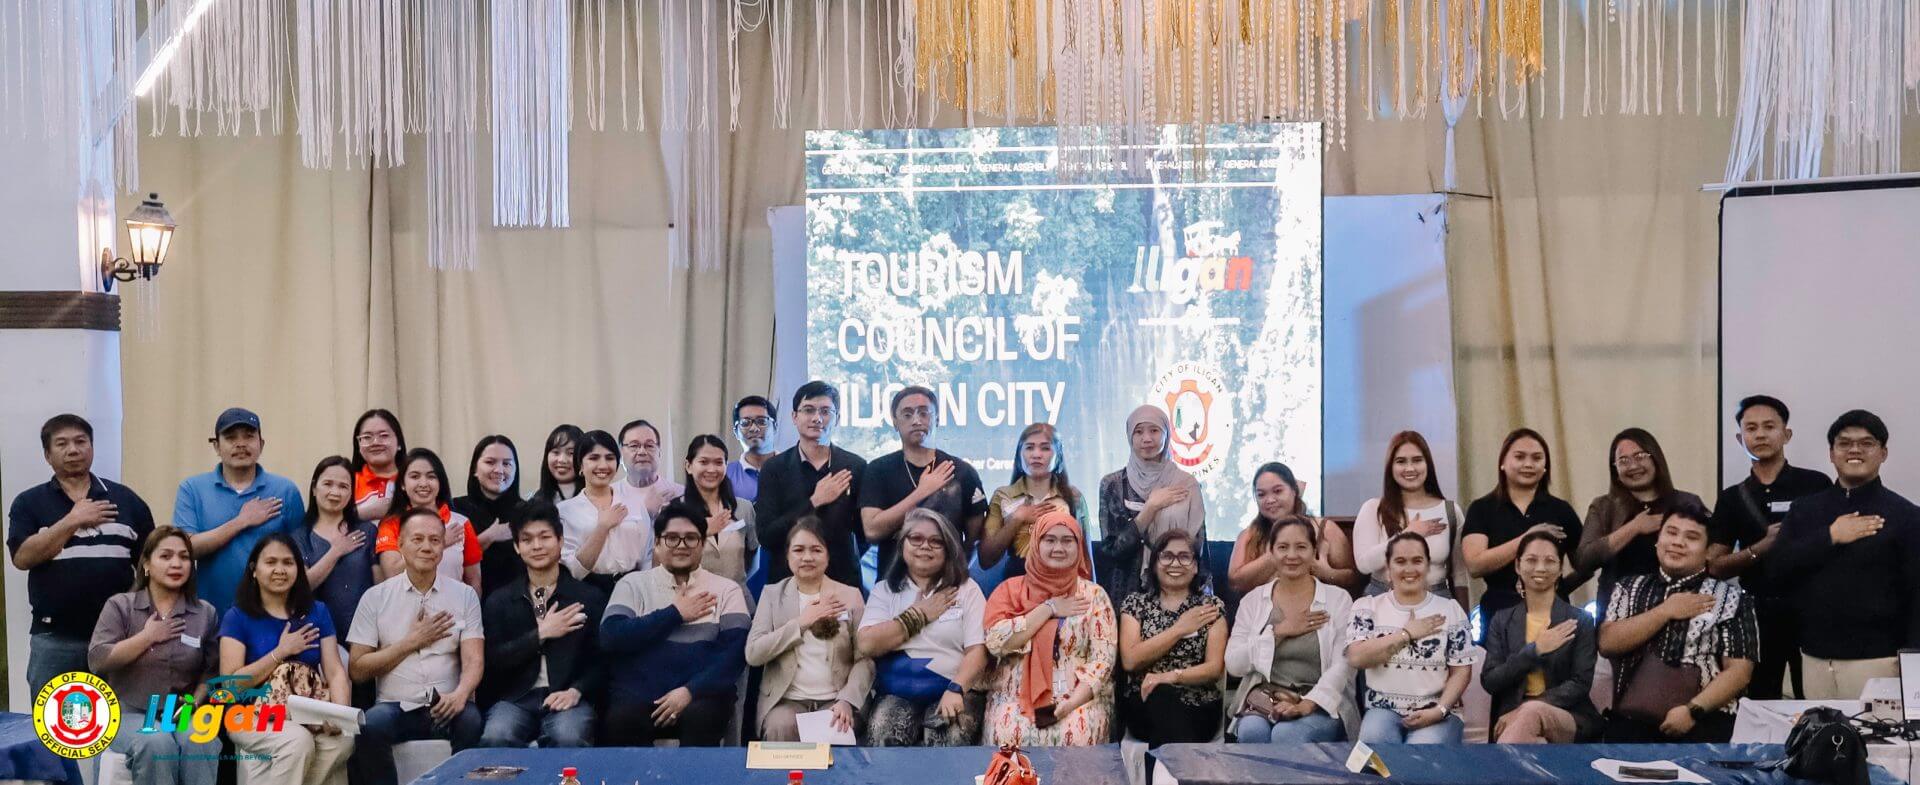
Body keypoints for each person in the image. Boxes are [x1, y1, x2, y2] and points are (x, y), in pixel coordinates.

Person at [1772, 409, 1920, 701]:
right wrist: (1830, 537)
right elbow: (1776, 570)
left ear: (1883, 453)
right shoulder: (1805, 510)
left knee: (1878, 746)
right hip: (1811, 658)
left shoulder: (1907, 516)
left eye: (1866, 443)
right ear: (1831, 453)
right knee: (1815, 745)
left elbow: (1917, 596)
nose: (1854, 450)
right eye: (1844, 443)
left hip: (1879, 662)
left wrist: (1913, 664)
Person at [10, 413, 156, 696]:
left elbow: (151, 565)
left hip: (119, 637)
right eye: (62, 444)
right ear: (47, 455)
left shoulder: (126, 500)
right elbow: (22, 558)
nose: (73, 450)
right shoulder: (29, 503)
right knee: (58, 731)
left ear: (92, 447)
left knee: (118, 728)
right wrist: (72, 520)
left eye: (81, 441)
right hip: (55, 639)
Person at [347, 508, 486, 785]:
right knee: (368, 726)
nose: (426, 547)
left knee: (471, 721)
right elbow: (358, 669)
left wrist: (460, 694)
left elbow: (474, 660)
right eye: (417, 539)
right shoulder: (375, 598)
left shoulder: (464, 595)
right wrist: (412, 642)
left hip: (448, 701)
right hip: (395, 705)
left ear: (443, 547)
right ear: (400, 545)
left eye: (435, 540)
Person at [1599, 500, 1756, 742]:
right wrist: (1665, 611)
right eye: (1670, 533)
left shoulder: (1733, 597)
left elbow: (1739, 672)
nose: (1678, 542)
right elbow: (1608, 642)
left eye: (1691, 537)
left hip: (1706, 721)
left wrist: (1692, 711)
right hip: (1632, 720)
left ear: (1707, 551)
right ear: (1657, 540)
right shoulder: (1629, 587)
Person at [1705, 396, 1831, 700]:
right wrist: (1760, 548)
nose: (1760, 434)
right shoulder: (1732, 497)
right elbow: (1714, 565)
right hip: (1757, 613)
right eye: (1751, 428)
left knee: (1815, 698)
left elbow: (1835, 545)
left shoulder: (1815, 484)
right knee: (1762, 698)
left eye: (1769, 426)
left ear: (1786, 434)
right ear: (1740, 438)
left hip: (1812, 611)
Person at [599, 502, 751, 746]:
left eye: (691, 538)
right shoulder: (632, 584)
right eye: (671, 538)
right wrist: (674, 613)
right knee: (622, 721)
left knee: (702, 718)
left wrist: (689, 691)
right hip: (639, 696)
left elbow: (733, 655)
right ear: (657, 544)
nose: (681, 545)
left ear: (702, 544)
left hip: (700, 695)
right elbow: (611, 637)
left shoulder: (726, 590)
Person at [87, 527, 220, 785]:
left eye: (184, 557)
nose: (176, 563)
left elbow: (212, 671)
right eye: (166, 556)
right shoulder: (121, 606)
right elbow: (98, 660)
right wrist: (147, 637)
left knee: (200, 739)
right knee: (156, 741)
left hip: (177, 712)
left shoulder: (205, 613)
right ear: (146, 563)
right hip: (127, 712)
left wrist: (195, 702)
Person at [219, 534, 355, 785]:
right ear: (254, 570)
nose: (280, 570)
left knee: (343, 740)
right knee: (297, 741)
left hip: (307, 710)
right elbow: (230, 685)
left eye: (288, 562)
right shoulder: (237, 616)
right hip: (250, 714)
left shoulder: (317, 611)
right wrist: (281, 652)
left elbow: (335, 671)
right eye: (271, 562)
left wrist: (338, 714)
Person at [477, 501, 605, 749]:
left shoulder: (588, 597)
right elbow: (494, 659)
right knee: (496, 736)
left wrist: (576, 691)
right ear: (516, 547)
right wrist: (541, 633)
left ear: (560, 541)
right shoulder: (500, 600)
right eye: (527, 540)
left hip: (569, 696)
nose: (536, 546)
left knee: (568, 736)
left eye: (545, 537)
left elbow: (602, 660)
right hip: (516, 698)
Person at [984, 509, 1117, 746]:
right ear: (1035, 543)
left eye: (1068, 541)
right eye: (1050, 540)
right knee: (1008, 734)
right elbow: (997, 643)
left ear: (1079, 547)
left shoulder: (1094, 596)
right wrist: (1049, 608)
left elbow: (1102, 660)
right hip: (1013, 697)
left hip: (1079, 698)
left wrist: (1071, 703)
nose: (1059, 548)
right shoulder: (1010, 590)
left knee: (1078, 734)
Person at [857, 509, 990, 746]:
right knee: (882, 731)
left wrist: (957, 689)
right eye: (916, 538)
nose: (924, 546)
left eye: (935, 541)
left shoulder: (967, 590)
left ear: (948, 548)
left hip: (953, 688)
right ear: (902, 544)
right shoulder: (885, 591)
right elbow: (867, 644)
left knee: (949, 735)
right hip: (897, 691)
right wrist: (919, 615)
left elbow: (977, 651)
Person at [1226, 516, 1357, 744]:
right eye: (1283, 547)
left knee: (1287, 735)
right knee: (1251, 732)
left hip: (1319, 702)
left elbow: (1344, 665)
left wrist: (1307, 705)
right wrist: (1279, 631)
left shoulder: (1338, 600)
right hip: (1266, 699)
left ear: (1314, 550)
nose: (1292, 555)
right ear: (1271, 551)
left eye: (1301, 547)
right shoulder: (1254, 601)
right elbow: (1234, 664)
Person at [1343, 532, 1479, 744]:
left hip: (1437, 711)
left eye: (1417, 561)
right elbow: (1357, 658)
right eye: (1400, 561)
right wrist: (1405, 635)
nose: (1409, 569)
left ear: (1428, 567)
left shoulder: (1450, 609)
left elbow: (1461, 671)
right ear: (1388, 570)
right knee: (1374, 742)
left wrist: (1440, 710)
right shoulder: (1366, 606)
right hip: (1383, 710)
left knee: (1422, 752)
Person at [745, 518, 873, 741]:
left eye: (816, 550)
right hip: (787, 700)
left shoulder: (850, 595)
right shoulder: (772, 595)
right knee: (780, 726)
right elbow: (754, 653)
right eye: (798, 550)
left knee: (835, 728)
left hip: (836, 698)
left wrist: (847, 700)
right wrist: (802, 622)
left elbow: (865, 659)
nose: (807, 557)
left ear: (827, 555)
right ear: (787, 556)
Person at [172, 407, 306, 614]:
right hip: (209, 612)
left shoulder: (285, 490)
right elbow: (187, 548)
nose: (240, 444)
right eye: (231, 438)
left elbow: (301, 555)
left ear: (261, 444)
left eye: (249, 436)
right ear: (216, 446)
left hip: (271, 615)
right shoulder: (192, 489)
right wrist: (241, 521)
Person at [1462, 429, 1587, 639]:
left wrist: (1558, 586)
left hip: (1554, 615)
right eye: (1519, 457)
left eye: (1537, 458)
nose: (1528, 464)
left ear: (1545, 466)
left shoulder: (1560, 509)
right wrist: (1527, 539)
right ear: (1502, 462)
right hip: (1499, 613)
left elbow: (1585, 563)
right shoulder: (1482, 508)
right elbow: (1475, 565)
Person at [1481, 532, 1600, 743]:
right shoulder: (1502, 620)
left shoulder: (1579, 620)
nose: (1540, 568)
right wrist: (1534, 650)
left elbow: (1580, 683)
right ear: (1517, 566)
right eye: (1531, 560)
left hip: (1568, 715)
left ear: (1561, 568)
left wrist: (1528, 708)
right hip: (1511, 719)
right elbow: (1491, 680)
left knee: (1531, 713)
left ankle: (1499, 773)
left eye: (1550, 561)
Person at [1575, 428, 1705, 619]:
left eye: (1640, 456)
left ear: (1656, 459)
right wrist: (1634, 527)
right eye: (1623, 460)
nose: (1633, 465)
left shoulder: (1687, 502)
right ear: (1615, 470)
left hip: (1679, 607)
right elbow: (1583, 561)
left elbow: (1707, 555)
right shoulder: (1604, 507)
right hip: (1618, 614)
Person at [860, 386, 989, 572]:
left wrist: (955, 574)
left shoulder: (962, 472)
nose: (916, 420)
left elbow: (973, 540)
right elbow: (872, 531)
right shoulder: (878, 469)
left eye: (924, 412)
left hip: (948, 587)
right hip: (893, 587)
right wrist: (921, 493)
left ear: (937, 418)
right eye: (907, 414)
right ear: (895, 422)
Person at [1118, 530, 1226, 746]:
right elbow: (1130, 660)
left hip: (1198, 706)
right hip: (1144, 703)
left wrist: (1169, 676)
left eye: (1184, 557)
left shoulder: (1211, 607)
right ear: (1155, 563)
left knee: (1170, 709)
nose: (1175, 563)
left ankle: (1162, 775)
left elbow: (1214, 668)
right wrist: (1179, 629)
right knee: (1162, 699)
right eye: (1167, 556)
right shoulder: (1136, 604)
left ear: (1195, 566)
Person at [756, 381, 869, 588]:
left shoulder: (856, 466)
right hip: (787, 582)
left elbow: (865, 534)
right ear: (794, 417)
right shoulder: (774, 468)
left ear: (837, 418)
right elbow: (767, 536)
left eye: (826, 411)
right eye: (808, 410)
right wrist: (814, 501)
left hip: (842, 581)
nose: (817, 418)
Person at [1097, 405, 1206, 605]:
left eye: (1154, 430)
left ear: (1166, 435)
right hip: (1127, 595)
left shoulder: (1186, 484)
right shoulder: (1113, 484)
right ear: (1130, 436)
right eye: (1138, 432)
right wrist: (1149, 509)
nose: (1146, 438)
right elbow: (1112, 552)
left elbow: (1198, 548)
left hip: (1178, 592)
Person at [1352, 431, 1468, 605]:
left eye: (1417, 460)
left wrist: (1464, 615)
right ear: (1390, 467)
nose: (1410, 468)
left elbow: (1459, 574)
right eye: (1401, 461)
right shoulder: (1373, 508)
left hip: (1437, 599)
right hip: (1383, 598)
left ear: (1427, 464)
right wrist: (1408, 534)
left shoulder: (1450, 510)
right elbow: (1364, 564)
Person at [1225, 462, 1361, 595]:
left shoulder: (1325, 529)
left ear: (1294, 491)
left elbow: (1351, 579)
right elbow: (1235, 583)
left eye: (1278, 491)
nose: (1270, 500)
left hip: (1321, 614)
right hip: (1264, 614)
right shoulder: (1249, 535)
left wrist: (1326, 573)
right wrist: (1276, 554)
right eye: (1261, 494)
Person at [980, 423, 1092, 580]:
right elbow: (985, 560)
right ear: (1019, 456)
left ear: (1058, 456)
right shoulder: (1003, 496)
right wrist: (1017, 519)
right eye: (1029, 448)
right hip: (1016, 588)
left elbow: (1086, 560)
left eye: (1045, 448)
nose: (1036, 454)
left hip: (1063, 587)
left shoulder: (1073, 498)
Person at [290, 457, 378, 641]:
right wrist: (336, 551)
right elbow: (301, 587)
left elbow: (380, 586)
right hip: (316, 635)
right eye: (327, 484)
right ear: (314, 488)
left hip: (364, 634)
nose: (335, 492)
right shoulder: (299, 536)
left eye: (343, 486)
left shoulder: (367, 531)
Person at [372, 448, 482, 594]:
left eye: (431, 476)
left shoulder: (461, 523)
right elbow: (391, 573)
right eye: (415, 476)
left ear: (440, 482)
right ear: (402, 484)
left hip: (453, 612)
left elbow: (474, 581)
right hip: (406, 613)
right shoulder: (391, 524)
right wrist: (440, 543)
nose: (423, 483)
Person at [557, 430, 653, 594]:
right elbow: (572, 570)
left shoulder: (635, 504)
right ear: (580, 465)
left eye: (609, 458)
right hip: (587, 590)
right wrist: (602, 528)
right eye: (594, 458)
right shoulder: (565, 511)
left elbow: (647, 555)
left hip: (633, 587)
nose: (603, 465)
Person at [452, 435, 525, 599]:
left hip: (518, 605)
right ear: (475, 470)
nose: (499, 470)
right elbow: (447, 561)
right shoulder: (456, 509)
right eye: (490, 462)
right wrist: (488, 537)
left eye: (506, 464)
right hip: (467, 603)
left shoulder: (527, 512)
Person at [681, 434, 759, 587]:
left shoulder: (744, 508)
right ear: (689, 466)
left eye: (718, 462)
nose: (711, 469)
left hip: (738, 599)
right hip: (692, 600)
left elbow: (753, 555)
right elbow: (667, 564)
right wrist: (701, 533)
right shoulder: (673, 511)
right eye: (703, 462)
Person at [619, 419, 685, 518]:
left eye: (649, 445)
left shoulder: (680, 493)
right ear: (620, 453)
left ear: (659, 452)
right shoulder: (609, 495)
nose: (642, 452)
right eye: (634, 445)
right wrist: (647, 513)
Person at [350, 409, 408, 522]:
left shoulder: (414, 480)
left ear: (399, 443)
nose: (375, 442)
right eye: (367, 437)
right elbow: (326, 522)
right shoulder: (347, 482)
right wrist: (367, 512)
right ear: (358, 445)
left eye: (384, 435)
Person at [728, 396, 778, 503]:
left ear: (775, 427)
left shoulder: (795, 470)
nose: (754, 428)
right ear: (736, 432)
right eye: (745, 423)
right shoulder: (724, 475)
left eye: (762, 421)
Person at [530, 425, 586, 509]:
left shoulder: (593, 499)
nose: (562, 460)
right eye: (556, 452)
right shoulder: (535, 501)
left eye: (571, 453)